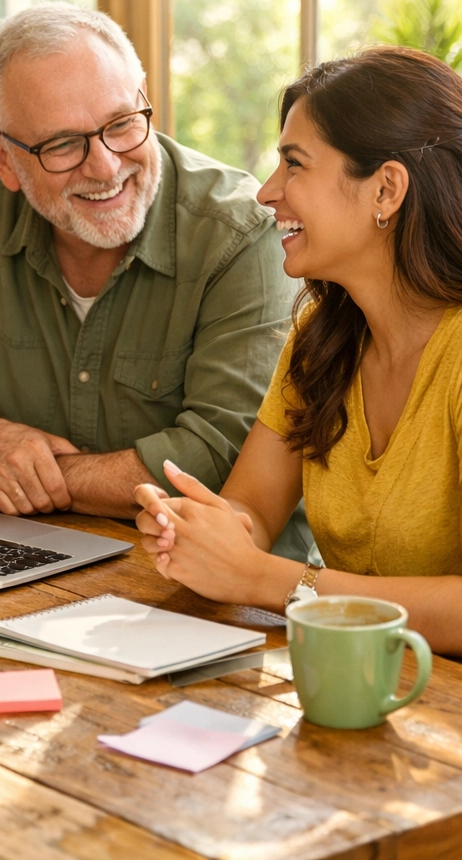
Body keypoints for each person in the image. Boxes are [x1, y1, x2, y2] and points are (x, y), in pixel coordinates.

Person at [0, 1, 311, 559]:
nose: (107, 167)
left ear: (143, 100)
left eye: (121, 125)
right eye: (63, 144)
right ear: (3, 159)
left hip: (219, 590)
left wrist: (32, 484)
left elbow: (218, 455)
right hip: (40, 566)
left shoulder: (239, 234)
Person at [134, 46, 462, 654]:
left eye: (294, 165)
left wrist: (267, 580)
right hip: (345, 681)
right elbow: (253, 509)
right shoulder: (322, 337)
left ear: (385, 189)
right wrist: (203, 531)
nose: (267, 192)